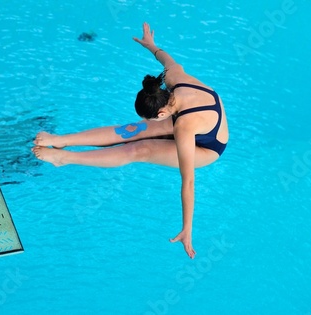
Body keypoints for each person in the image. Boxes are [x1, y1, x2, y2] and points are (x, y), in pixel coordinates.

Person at [32, 22, 229, 259]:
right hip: (191, 111)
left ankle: (65, 157)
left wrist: (188, 228)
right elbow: (165, 58)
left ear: (162, 114)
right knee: (131, 129)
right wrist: (151, 45)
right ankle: (61, 140)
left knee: (140, 148)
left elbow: (188, 182)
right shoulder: (172, 79)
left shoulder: (184, 127)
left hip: (207, 145)